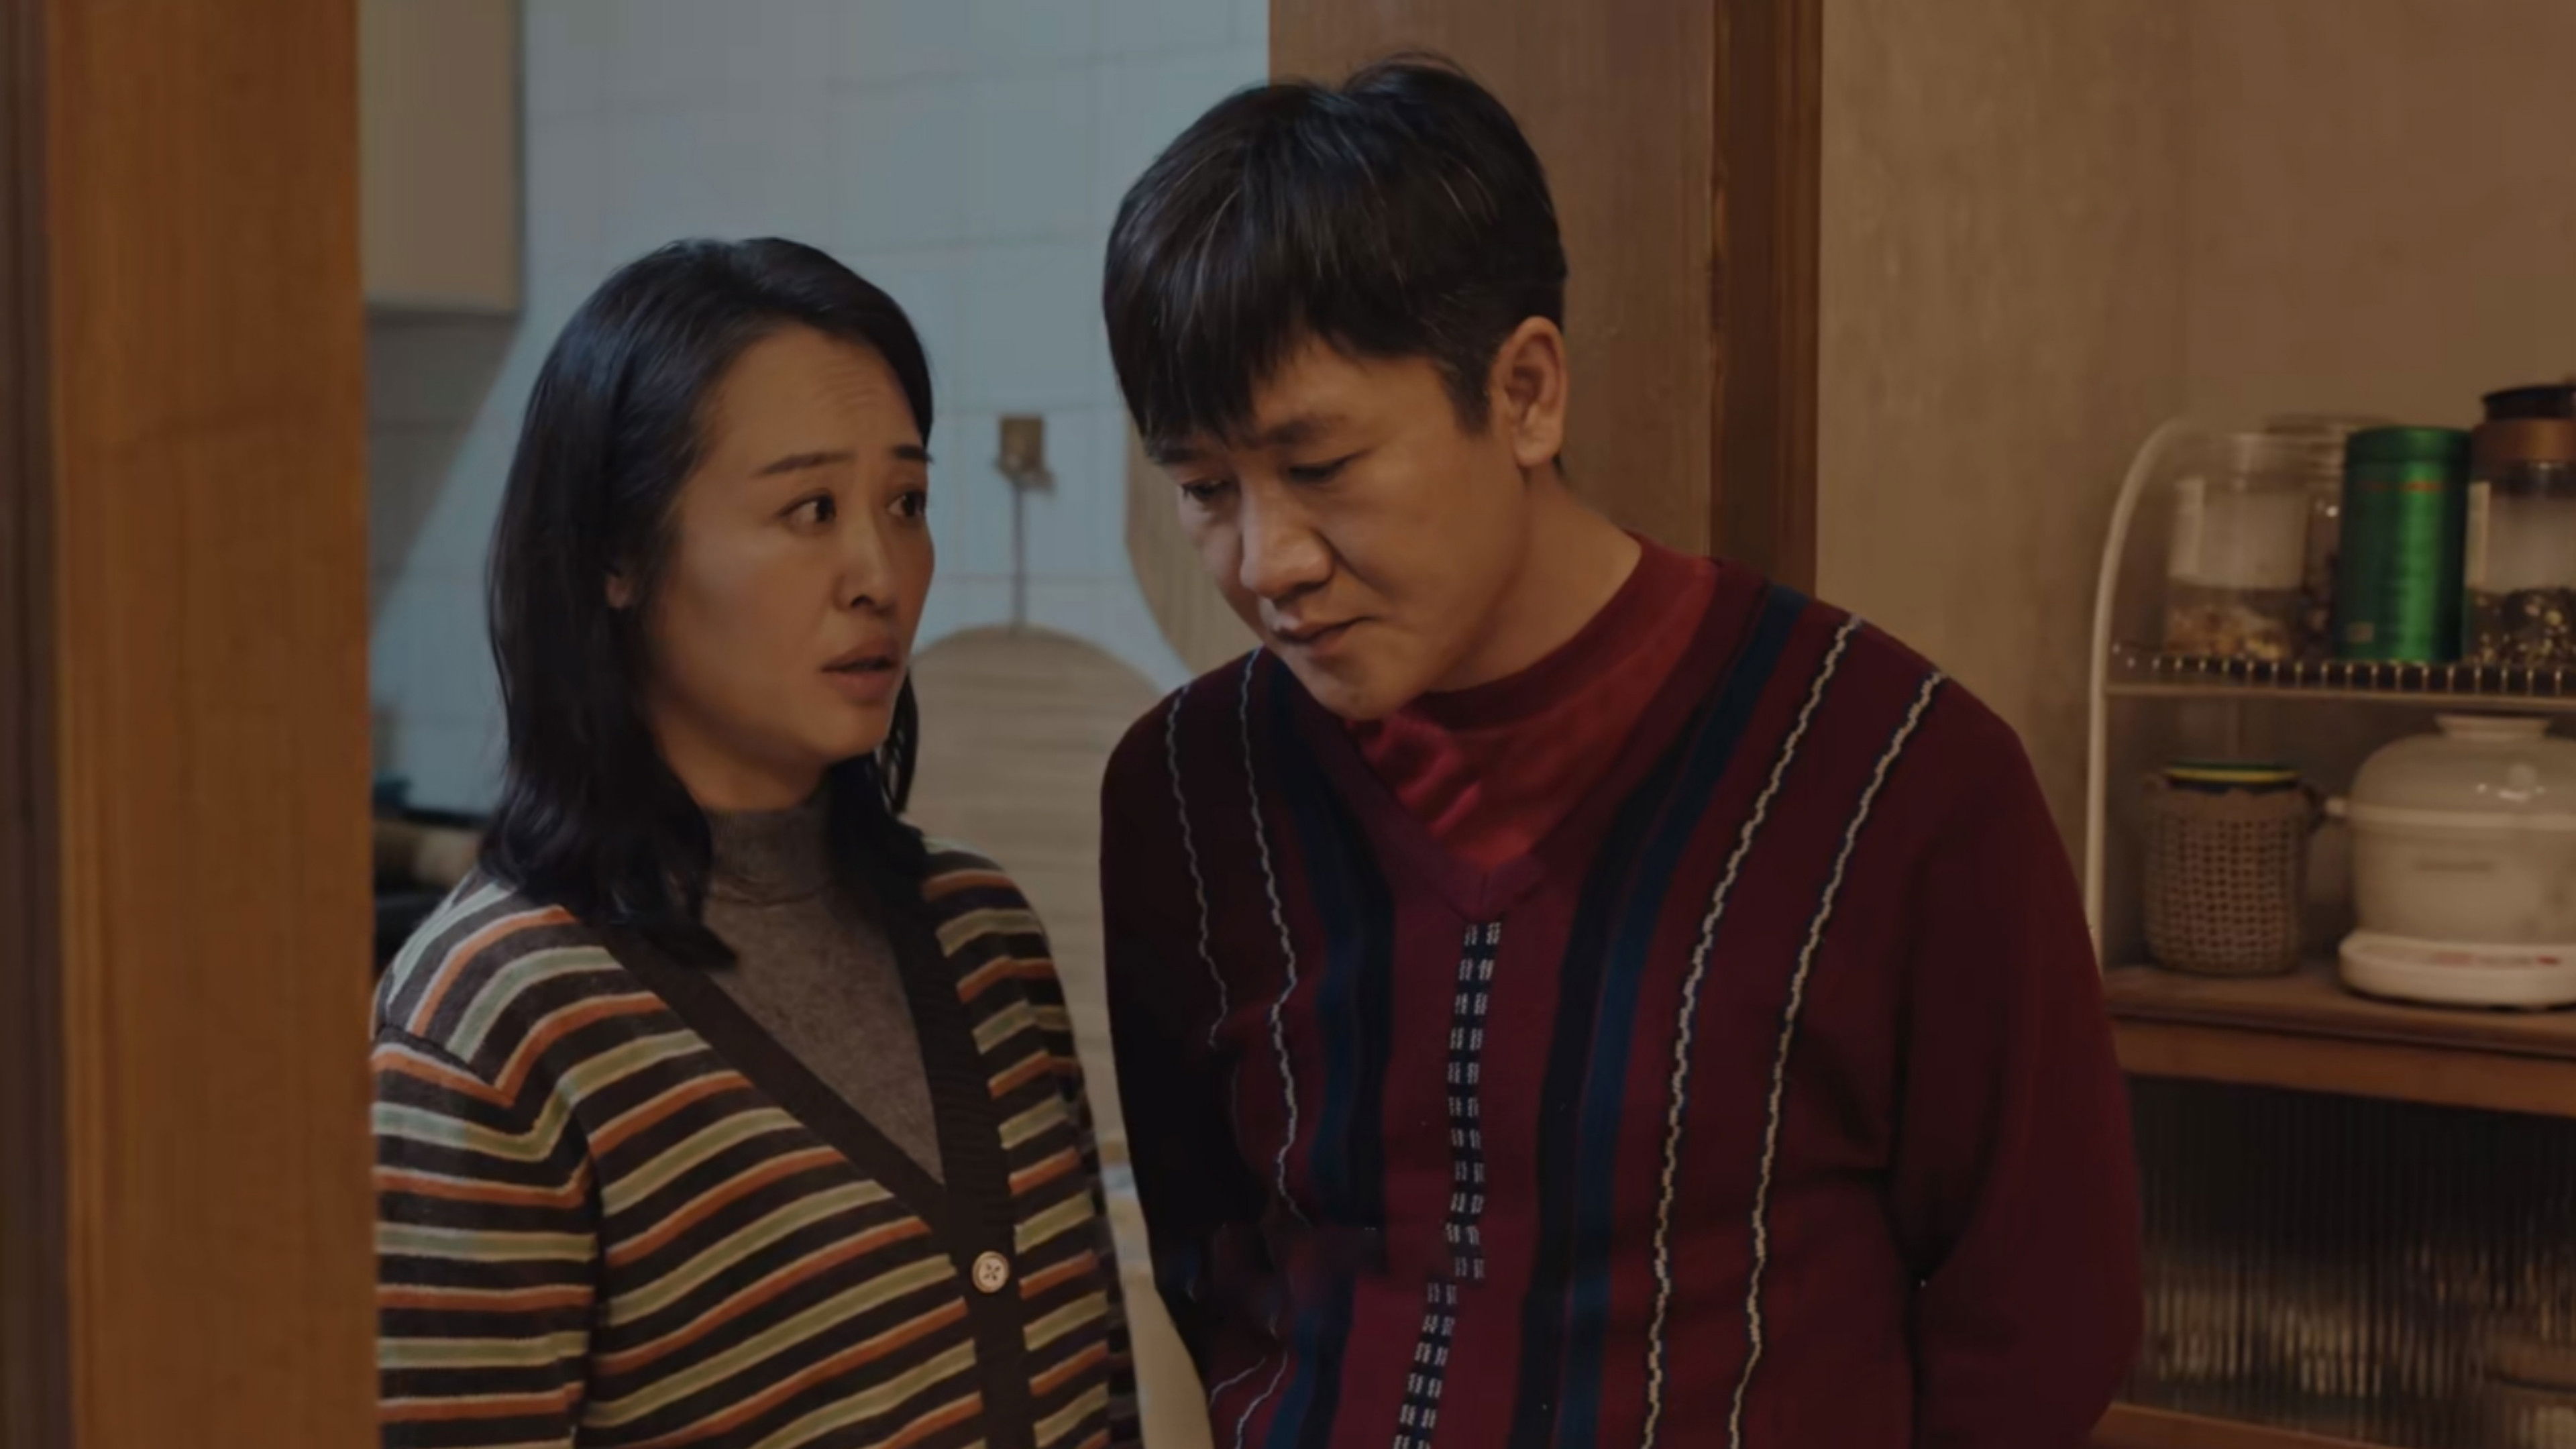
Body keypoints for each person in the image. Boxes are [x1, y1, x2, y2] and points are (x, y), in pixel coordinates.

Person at [1095, 59, 2141, 1449]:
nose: (1266, 559)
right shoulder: (1185, 792)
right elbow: (1210, 1256)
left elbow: (2043, 1309)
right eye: (1204, 489)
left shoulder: (1897, 778)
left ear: (1526, 393)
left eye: (1322, 467)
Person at [372, 239, 1136, 1449]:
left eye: (906, 504)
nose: (880, 574)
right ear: (619, 556)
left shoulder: (983, 936)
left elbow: (1101, 1402)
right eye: (809, 510)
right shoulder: (498, 1024)